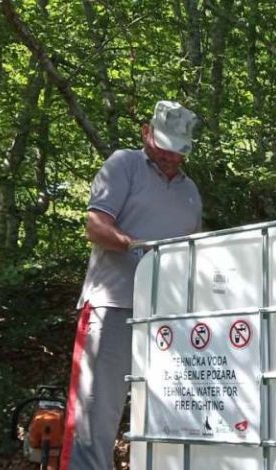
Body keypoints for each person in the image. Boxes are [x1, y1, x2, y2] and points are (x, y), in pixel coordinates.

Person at [60, 101, 203, 470]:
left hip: (167, 316)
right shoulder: (124, 165)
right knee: (97, 411)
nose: (171, 155)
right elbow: (95, 225)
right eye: (164, 145)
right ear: (146, 132)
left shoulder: (191, 192)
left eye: (179, 148)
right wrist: (130, 244)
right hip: (114, 304)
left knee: (166, 408)